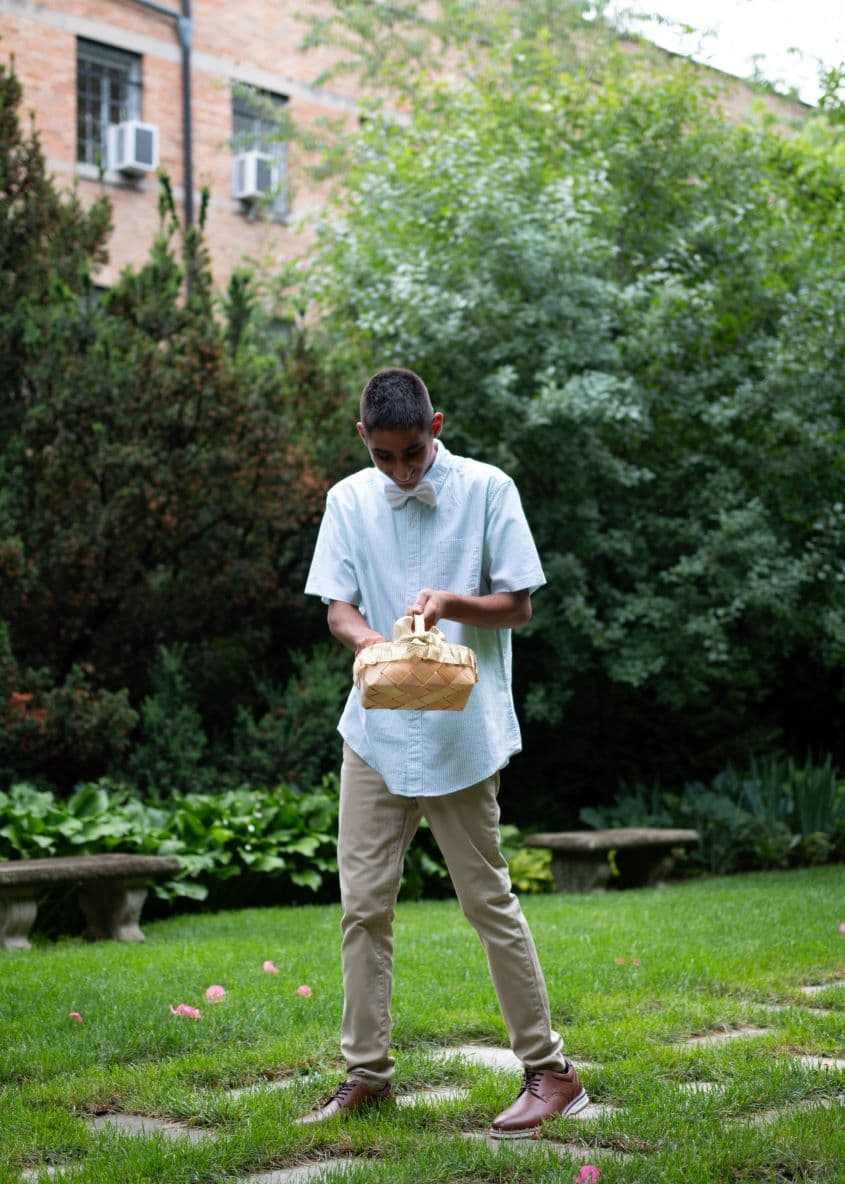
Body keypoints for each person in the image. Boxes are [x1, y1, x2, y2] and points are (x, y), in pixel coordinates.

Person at [298, 367, 587, 1139]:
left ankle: (552, 1072)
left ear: (437, 425)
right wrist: (373, 644)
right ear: (362, 437)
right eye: (384, 456)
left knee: (485, 901)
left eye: (413, 453)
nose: (399, 470)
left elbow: (519, 607)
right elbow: (337, 608)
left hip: (461, 735)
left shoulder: (490, 489)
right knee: (362, 908)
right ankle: (367, 1076)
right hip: (375, 734)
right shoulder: (346, 500)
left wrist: (446, 603)